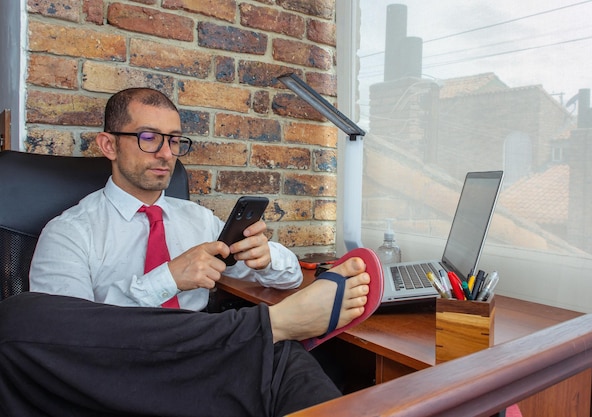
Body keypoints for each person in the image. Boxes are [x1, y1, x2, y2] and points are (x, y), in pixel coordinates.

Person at [0, 87, 372, 417]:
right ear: (109, 145)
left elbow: (290, 277)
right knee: (25, 317)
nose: (166, 153)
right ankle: (268, 327)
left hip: (204, 362)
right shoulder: (69, 231)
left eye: (175, 140)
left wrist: (267, 257)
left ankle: (268, 329)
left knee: (281, 360)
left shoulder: (198, 220)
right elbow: (65, 344)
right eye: (149, 138)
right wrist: (167, 279)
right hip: (119, 378)